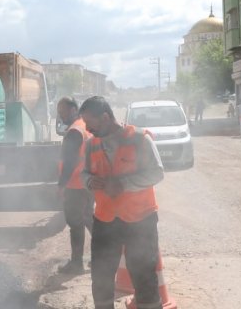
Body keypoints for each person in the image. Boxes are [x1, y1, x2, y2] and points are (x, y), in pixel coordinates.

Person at [79, 96, 164, 309]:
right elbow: (83, 174)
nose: (88, 129)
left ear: (106, 117)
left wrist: (124, 184)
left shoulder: (139, 139)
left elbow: (157, 172)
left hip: (140, 220)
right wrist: (90, 181)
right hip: (105, 220)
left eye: (90, 123)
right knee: (101, 275)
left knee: (144, 275)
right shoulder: (91, 144)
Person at [55, 97, 93, 275]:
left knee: (75, 223)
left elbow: (70, 162)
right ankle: (103, 257)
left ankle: (76, 263)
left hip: (75, 184)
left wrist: (61, 185)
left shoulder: (74, 131)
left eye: (62, 112)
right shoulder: (84, 126)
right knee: (88, 220)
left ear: (72, 110)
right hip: (87, 183)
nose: (60, 116)